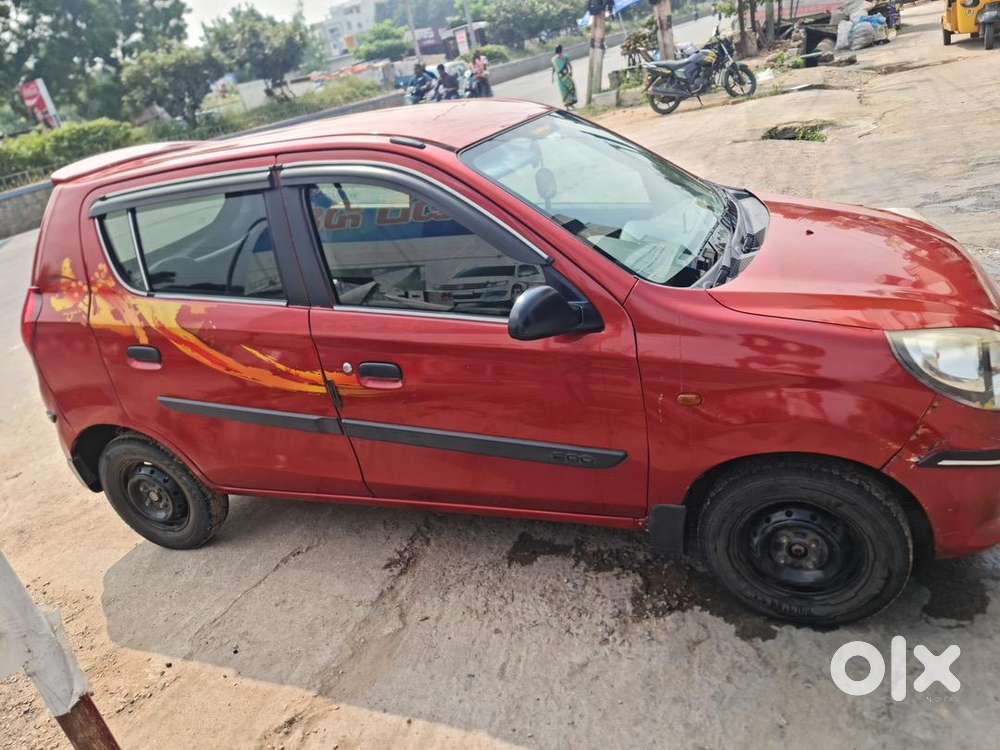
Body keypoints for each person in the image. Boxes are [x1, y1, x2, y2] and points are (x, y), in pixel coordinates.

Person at [551, 44, 577, 110]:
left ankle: (567, 106)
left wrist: (552, 77)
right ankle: (571, 104)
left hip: (560, 78)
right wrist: (571, 73)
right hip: (566, 76)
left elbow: (553, 69)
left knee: (563, 91)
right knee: (571, 88)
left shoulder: (553, 59)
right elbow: (570, 66)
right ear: (561, 49)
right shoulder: (565, 57)